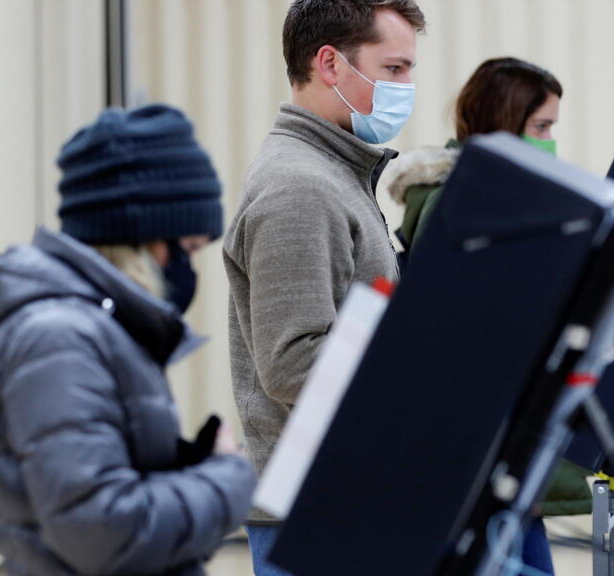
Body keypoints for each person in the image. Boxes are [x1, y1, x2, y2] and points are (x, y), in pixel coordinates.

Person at [0, 104, 256, 576]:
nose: (188, 270)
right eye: (187, 249)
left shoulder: (87, 326)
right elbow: (101, 530)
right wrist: (227, 479)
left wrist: (183, 464)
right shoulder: (57, 340)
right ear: (143, 239)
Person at [223, 1, 426, 573]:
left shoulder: (335, 173)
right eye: (393, 69)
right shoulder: (301, 188)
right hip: (318, 515)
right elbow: (293, 365)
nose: (406, 88)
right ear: (331, 64)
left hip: (343, 499)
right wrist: (423, 368)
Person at [382, 56, 587, 574]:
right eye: (540, 127)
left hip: (506, 452)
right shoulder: (462, 204)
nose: (549, 141)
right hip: (481, 458)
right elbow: (455, 337)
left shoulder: (506, 200)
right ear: (504, 121)